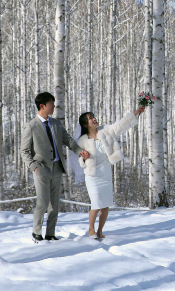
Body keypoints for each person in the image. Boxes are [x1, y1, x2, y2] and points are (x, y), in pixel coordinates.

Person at [21, 92, 89, 243]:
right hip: (41, 169)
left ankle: (50, 233)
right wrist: (34, 167)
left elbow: (68, 141)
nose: (54, 106)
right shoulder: (31, 126)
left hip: (58, 168)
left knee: (54, 204)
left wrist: (80, 152)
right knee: (42, 202)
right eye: (51, 103)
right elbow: (24, 151)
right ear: (42, 106)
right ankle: (36, 232)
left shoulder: (56, 124)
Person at [77, 106, 145, 238]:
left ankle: (100, 231)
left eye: (93, 117)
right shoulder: (82, 140)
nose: (94, 119)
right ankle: (91, 229)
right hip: (92, 175)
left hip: (106, 173)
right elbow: (80, 160)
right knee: (96, 203)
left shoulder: (106, 130)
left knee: (105, 206)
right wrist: (84, 158)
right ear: (85, 124)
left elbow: (121, 125)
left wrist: (136, 113)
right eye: (90, 118)